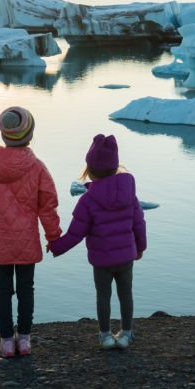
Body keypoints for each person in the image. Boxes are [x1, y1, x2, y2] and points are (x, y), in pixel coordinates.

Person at [0, 106, 61, 358]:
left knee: (2, 290)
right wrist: (53, 237)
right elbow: (48, 204)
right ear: (29, 135)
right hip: (27, 240)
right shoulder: (38, 168)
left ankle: (6, 341)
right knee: (25, 289)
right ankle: (25, 339)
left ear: (3, 135)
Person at [49, 134, 147, 349]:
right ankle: (126, 334)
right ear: (115, 166)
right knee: (126, 294)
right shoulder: (129, 193)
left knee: (103, 296)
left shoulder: (88, 200)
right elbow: (139, 223)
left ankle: (105, 335)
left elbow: (76, 233)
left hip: (101, 259)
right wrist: (140, 247)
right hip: (126, 256)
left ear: (90, 169)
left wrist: (56, 246)